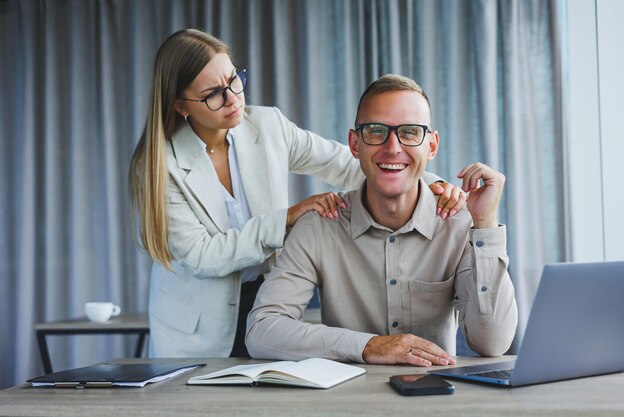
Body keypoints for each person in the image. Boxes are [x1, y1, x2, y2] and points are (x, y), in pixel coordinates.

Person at [129, 29, 466, 358]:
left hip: (267, 300)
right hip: (198, 327)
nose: (234, 98)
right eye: (214, 94)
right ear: (180, 106)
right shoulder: (159, 165)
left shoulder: (267, 124)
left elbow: (349, 162)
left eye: (234, 80)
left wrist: (431, 186)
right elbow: (204, 256)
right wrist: (286, 219)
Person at [246, 74, 518, 365]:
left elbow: (492, 343)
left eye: (410, 132)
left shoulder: (460, 224)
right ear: (354, 144)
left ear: (431, 145)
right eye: (375, 131)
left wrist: (486, 223)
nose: (392, 147)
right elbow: (262, 331)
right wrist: (368, 346)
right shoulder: (318, 226)